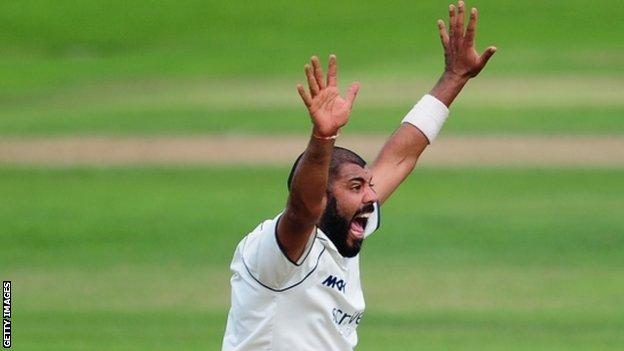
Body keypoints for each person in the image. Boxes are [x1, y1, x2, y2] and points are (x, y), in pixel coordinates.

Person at [222, 1, 497, 350]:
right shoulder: (277, 254)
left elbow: (400, 157)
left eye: (368, 184)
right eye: (356, 186)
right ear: (323, 196)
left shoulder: (348, 222)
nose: (371, 196)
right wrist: (322, 139)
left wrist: (453, 78)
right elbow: (303, 210)